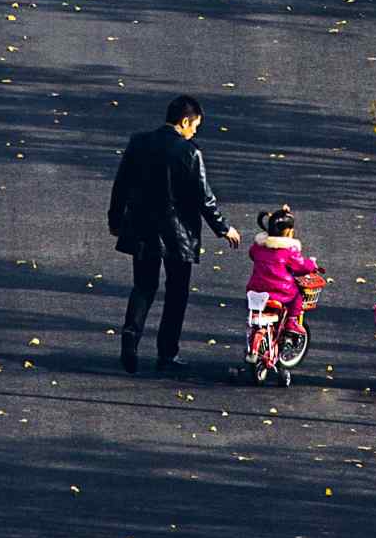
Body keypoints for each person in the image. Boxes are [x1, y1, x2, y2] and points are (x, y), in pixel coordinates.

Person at [108, 94, 241, 374]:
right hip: (176, 234)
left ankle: (130, 339)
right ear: (184, 122)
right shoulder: (189, 152)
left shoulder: (139, 142)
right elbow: (204, 198)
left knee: (143, 286)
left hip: (142, 228)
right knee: (176, 293)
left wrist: (115, 220)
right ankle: (166, 353)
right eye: (195, 126)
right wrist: (224, 228)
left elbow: (121, 185)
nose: (195, 132)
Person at [246, 204, 321, 340]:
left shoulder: (259, 247)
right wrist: (312, 264)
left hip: (256, 289)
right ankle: (292, 321)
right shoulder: (288, 250)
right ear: (289, 232)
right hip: (280, 292)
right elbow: (301, 266)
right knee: (297, 296)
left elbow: (252, 254)